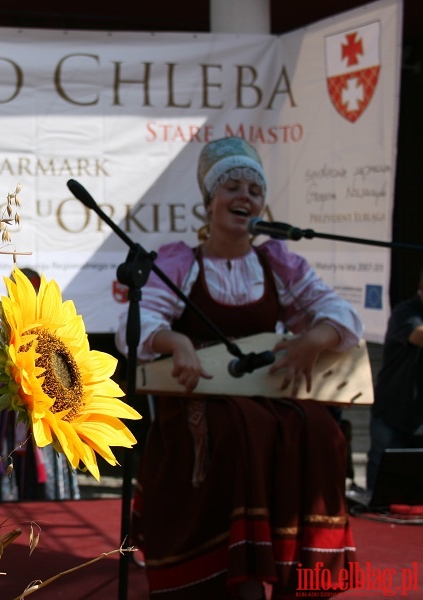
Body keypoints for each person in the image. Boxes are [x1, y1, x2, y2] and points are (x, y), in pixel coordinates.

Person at [116, 137, 363, 599]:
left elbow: (343, 315)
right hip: (201, 396)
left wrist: (314, 339)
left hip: (261, 396)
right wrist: (178, 341)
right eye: (231, 186)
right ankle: (240, 573)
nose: (244, 197)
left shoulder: (276, 264)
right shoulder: (181, 263)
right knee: (236, 426)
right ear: (210, 202)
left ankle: (300, 571)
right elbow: (140, 321)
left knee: (320, 428)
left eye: (254, 189)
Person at [0, 268, 80, 502]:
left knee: (42, 465)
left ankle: (48, 503)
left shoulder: (54, 328)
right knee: (5, 461)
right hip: (4, 413)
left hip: (43, 411)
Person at [365, 268, 423, 495]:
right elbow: (418, 336)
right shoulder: (406, 311)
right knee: (381, 488)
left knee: (414, 493)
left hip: (419, 421)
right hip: (392, 415)